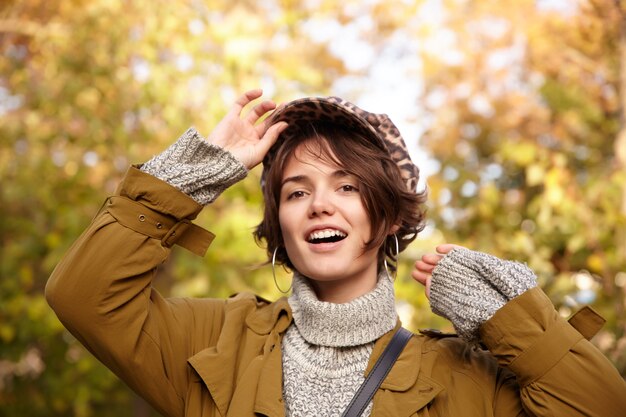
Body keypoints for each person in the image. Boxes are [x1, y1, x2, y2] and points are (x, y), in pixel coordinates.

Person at [46, 89, 626, 417]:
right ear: (281, 225)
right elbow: (83, 297)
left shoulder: (463, 379)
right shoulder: (215, 343)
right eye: (297, 193)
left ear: (391, 215)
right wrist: (194, 175)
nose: (319, 205)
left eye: (347, 186)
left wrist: (511, 320)